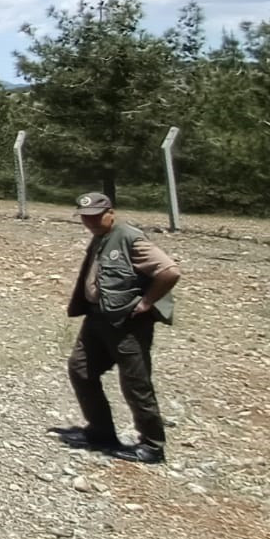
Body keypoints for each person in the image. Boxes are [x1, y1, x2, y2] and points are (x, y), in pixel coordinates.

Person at [62, 192, 179, 464]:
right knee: (80, 369)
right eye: (85, 218)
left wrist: (147, 302)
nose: (90, 222)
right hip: (97, 318)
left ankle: (151, 445)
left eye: (95, 216)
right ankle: (100, 431)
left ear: (110, 212)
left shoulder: (128, 236)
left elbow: (170, 271)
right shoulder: (101, 237)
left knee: (135, 382)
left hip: (127, 323)